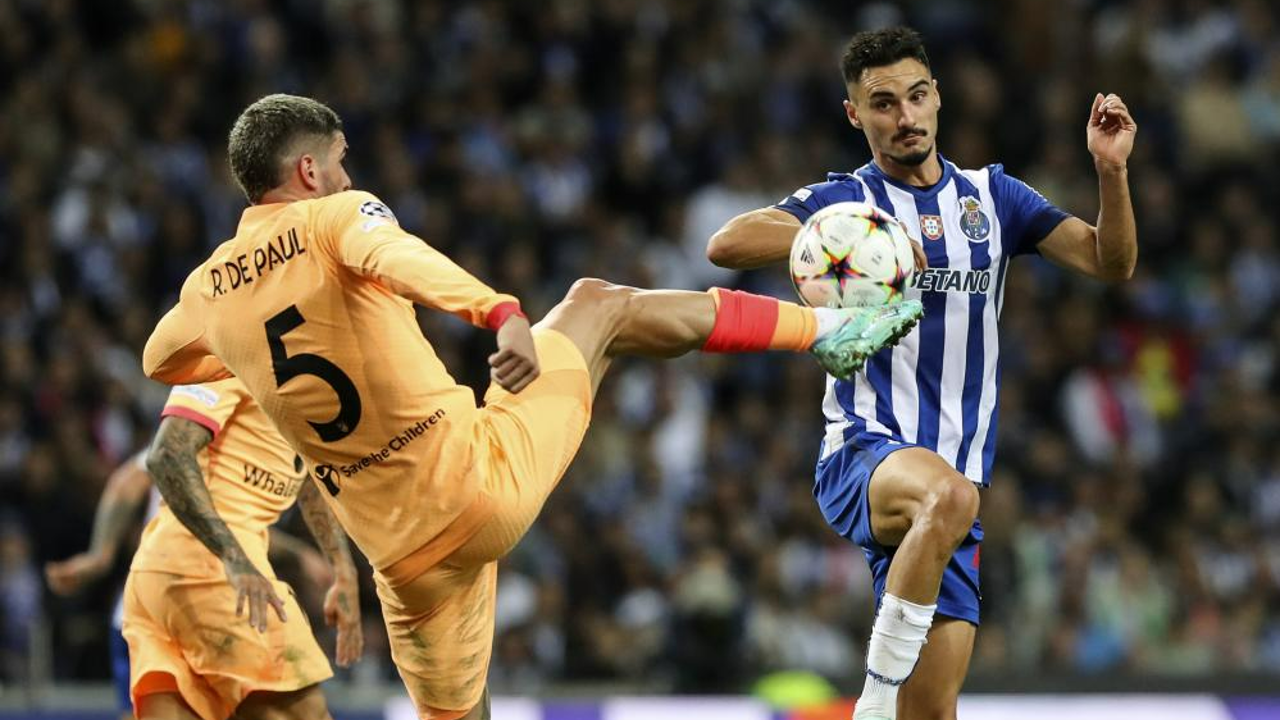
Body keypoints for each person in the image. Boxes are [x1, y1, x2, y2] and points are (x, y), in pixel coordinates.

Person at [139, 93, 924, 720]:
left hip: (403, 562)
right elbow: (401, 258)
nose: (349, 177)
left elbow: (159, 359)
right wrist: (500, 311)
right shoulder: (337, 215)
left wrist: (241, 336)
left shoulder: (208, 289)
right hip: (476, 479)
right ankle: (829, 329)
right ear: (309, 170)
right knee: (599, 305)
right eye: (341, 162)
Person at [707, 27, 1137, 720]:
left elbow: (1110, 262)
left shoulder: (992, 198)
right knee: (948, 495)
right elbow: (727, 244)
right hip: (864, 450)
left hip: (954, 497)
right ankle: (873, 702)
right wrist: (859, 230)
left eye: (915, 96)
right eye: (883, 104)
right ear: (855, 115)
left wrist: (1110, 172)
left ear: (937, 96)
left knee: (933, 713)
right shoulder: (847, 197)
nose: (904, 116)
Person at [121, 379, 363, 720]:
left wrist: (343, 569)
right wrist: (233, 557)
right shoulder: (226, 362)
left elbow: (311, 477)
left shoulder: (299, 383)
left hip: (160, 575)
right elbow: (166, 455)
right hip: (210, 574)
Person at [44, 449, 340, 720]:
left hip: (144, 608)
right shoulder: (211, 429)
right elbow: (221, 521)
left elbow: (129, 481)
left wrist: (100, 554)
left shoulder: (205, 441)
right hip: (207, 601)